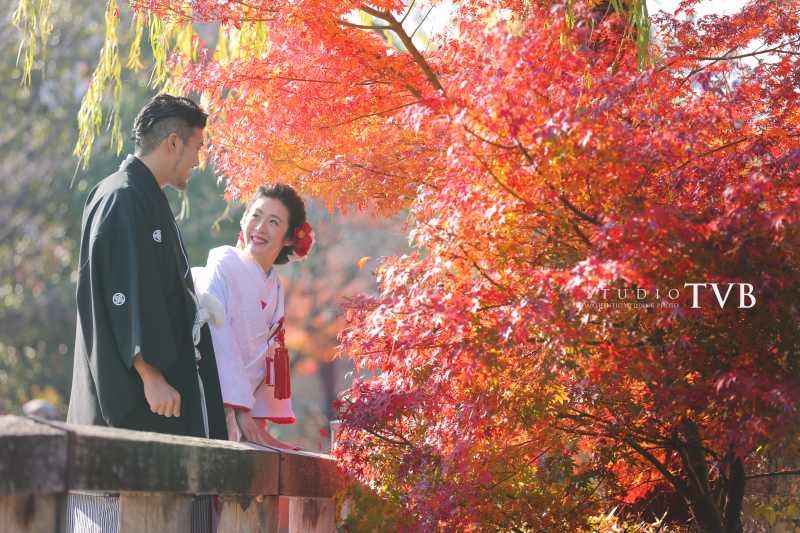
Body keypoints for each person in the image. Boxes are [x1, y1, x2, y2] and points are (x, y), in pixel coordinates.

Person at [66, 94, 227, 532]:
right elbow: (122, 290)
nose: (200, 159)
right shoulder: (122, 195)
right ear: (173, 142)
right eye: (197, 147)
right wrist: (150, 374)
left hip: (161, 408)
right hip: (140, 402)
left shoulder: (145, 196)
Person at [193, 183, 315, 450]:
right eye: (255, 216)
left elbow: (270, 359)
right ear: (244, 219)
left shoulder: (276, 287)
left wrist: (256, 422)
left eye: (273, 221)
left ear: (289, 238)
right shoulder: (223, 263)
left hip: (240, 409)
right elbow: (218, 334)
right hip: (204, 392)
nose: (260, 228)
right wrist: (241, 410)